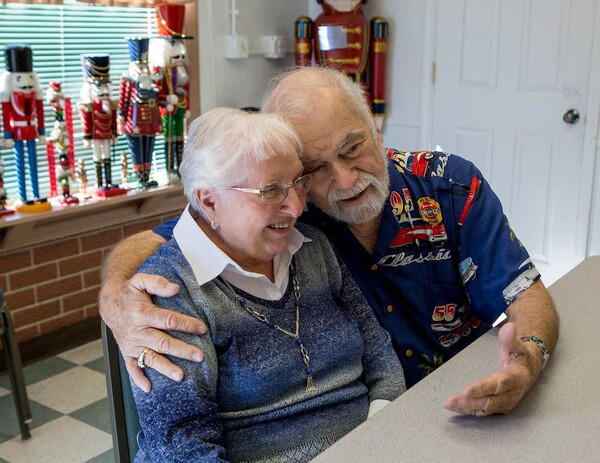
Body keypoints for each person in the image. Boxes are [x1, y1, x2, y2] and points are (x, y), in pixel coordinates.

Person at [100, 67, 558, 418]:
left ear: (375, 126)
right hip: (367, 418)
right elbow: (169, 236)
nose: (343, 179)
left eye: (353, 148)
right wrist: (114, 294)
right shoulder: (290, 211)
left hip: (467, 395)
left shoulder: (451, 186)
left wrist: (528, 359)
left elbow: (525, 293)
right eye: (314, 168)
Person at [127, 107, 405, 462]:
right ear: (209, 200)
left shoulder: (313, 247)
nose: (296, 207)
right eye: (271, 191)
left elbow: (378, 352)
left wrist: (380, 433)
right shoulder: (172, 290)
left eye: (298, 184)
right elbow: (181, 446)